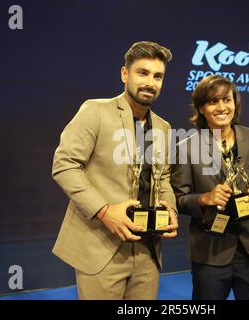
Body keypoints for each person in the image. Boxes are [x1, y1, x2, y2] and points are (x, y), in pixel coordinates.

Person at [52, 41, 178, 300]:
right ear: (125, 74)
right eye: (142, 73)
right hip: (101, 247)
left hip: (147, 250)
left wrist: (171, 210)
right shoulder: (95, 111)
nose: (150, 83)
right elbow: (64, 165)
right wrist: (105, 211)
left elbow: (163, 178)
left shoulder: (164, 127)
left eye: (158, 76)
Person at [171, 75, 249, 300]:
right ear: (201, 108)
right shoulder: (187, 147)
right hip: (210, 253)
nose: (222, 107)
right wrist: (203, 199)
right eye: (213, 101)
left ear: (235, 103)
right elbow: (177, 198)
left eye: (226, 100)